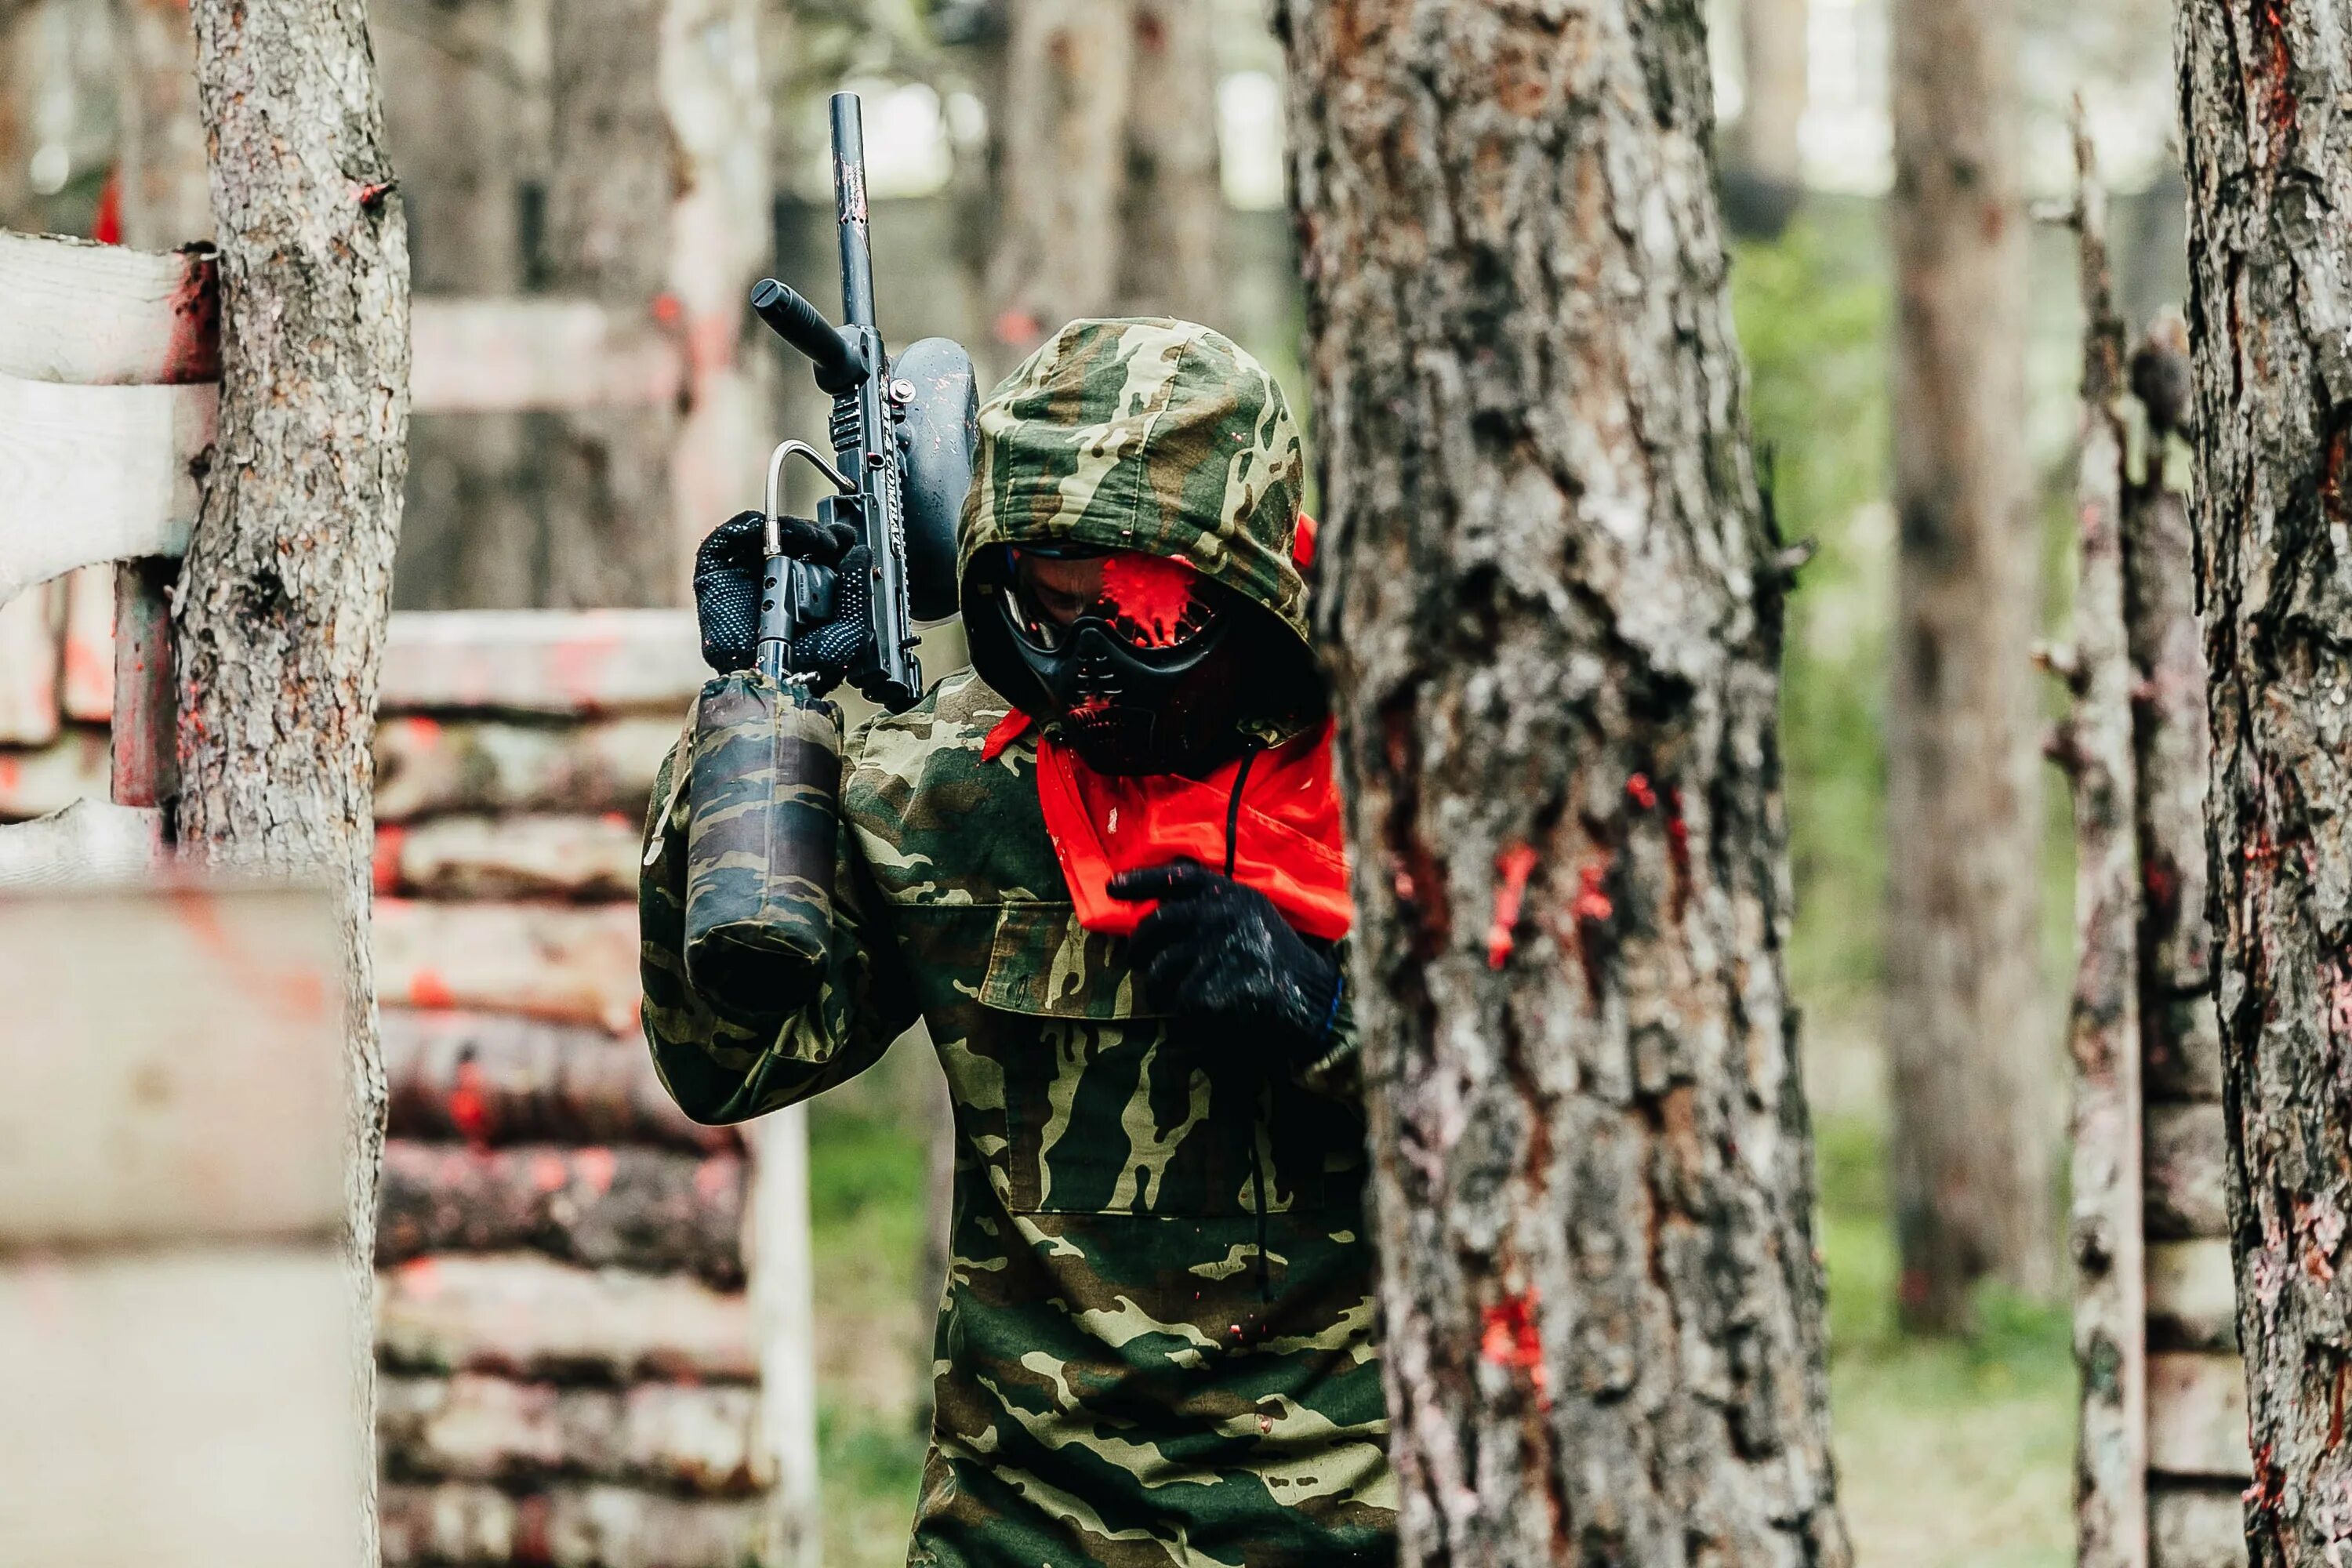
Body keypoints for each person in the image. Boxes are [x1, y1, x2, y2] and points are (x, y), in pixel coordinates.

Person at [640, 319, 1395, 1567]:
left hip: (1350, 1529)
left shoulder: (1399, 781)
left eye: (1139, 612)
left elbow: (1556, 1125)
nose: (1090, 662)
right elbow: (725, 1059)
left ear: (1240, 579)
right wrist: (754, 715)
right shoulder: (948, 791)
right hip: (1022, 1532)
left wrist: (1324, 1018)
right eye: (1054, 600)